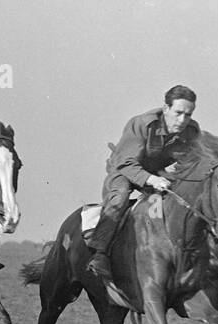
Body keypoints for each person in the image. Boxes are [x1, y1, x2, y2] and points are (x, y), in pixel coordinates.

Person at [84, 86, 201, 282]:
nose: (182, 120)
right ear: (166, 108)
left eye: (188, 115)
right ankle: (99, 254)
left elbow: (192, 161)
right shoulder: (142, 124)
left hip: (159, 176)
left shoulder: (192, 131)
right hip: (125, 171)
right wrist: (152, 180)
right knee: (120, 197)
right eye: (178, 113)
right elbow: (126, 163)